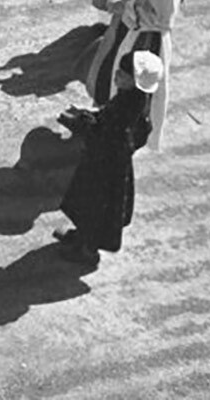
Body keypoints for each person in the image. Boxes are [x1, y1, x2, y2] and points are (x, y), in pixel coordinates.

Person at [84, 0, 190, 151]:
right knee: (108, 73)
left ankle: (118, 135)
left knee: (128, 87)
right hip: (129, 31)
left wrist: (126, 7)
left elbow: (162, 20)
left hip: (144, 41)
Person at [54, 51, 162, 266]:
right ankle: (83, 236)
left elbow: (108, 132)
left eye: (122, 74)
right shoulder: (131, 98)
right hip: (102, 162)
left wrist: (80, 121)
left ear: (136, 81)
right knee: (87, 202)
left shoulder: (130, 106)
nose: (117, 76)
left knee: (96, 206)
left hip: (107, 168)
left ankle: (88, 250)